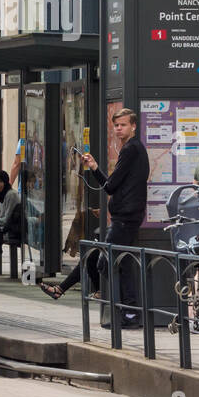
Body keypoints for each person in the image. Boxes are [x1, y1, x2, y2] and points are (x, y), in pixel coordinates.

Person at [40, 108, 148, 327]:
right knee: (110, 260)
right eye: (116, 125)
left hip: (125, 218)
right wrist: (96, 168)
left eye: (123, 125)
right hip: (125, 216)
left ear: (133, 126)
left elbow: (111, 186)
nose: (119, 129)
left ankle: (126, 310)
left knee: (106, 262)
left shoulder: (130, 150)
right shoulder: (132, 148)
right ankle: (124, 309)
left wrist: (96, 170)